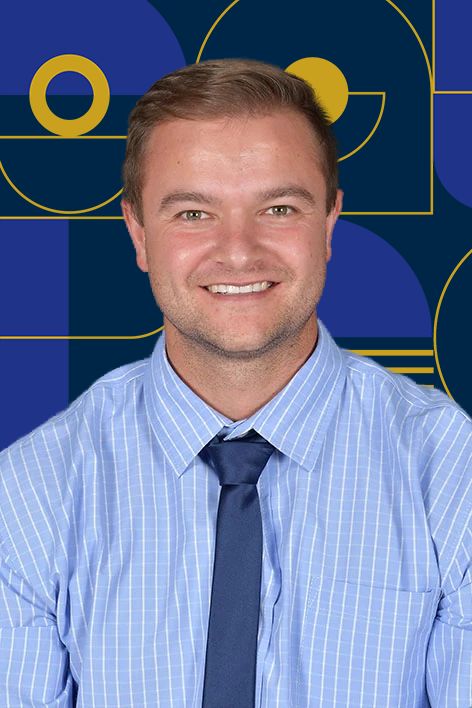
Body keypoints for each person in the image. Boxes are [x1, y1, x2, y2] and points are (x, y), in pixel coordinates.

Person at [0, 59, 471, 708]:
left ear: (329, 223)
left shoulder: (451, 473)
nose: (239, 251)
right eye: (194, 213)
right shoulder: (30, 494)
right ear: (138, 233)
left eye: (278, 208)